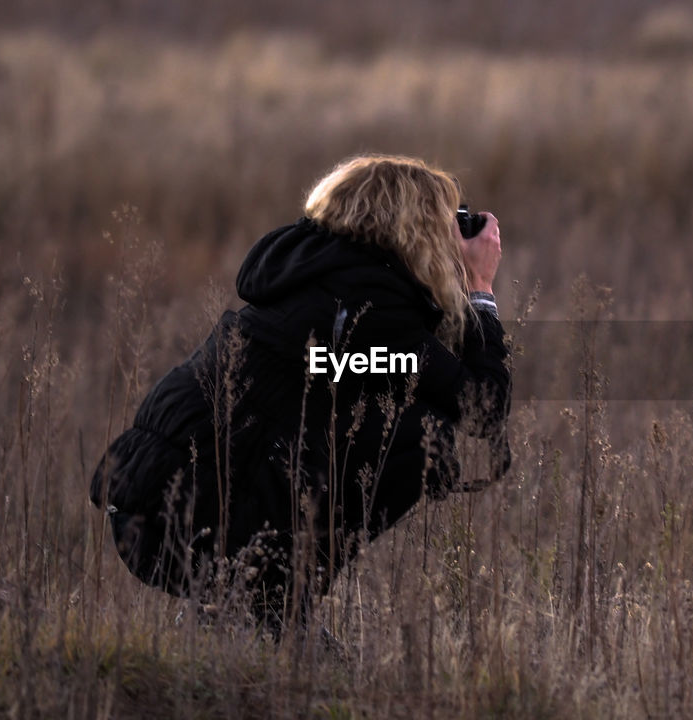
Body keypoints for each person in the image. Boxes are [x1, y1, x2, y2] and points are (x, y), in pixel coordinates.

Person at [88, 154, 511, 632]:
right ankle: (271, 605)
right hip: (188, 528)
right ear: (415, 232)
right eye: (444, 222)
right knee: (424, 443)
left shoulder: (311, 279)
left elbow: (369, 375)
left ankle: (251, 602)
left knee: (398, 418)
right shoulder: (369, 309)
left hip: (145, 514)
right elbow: (483, 407)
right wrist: (478, 288)